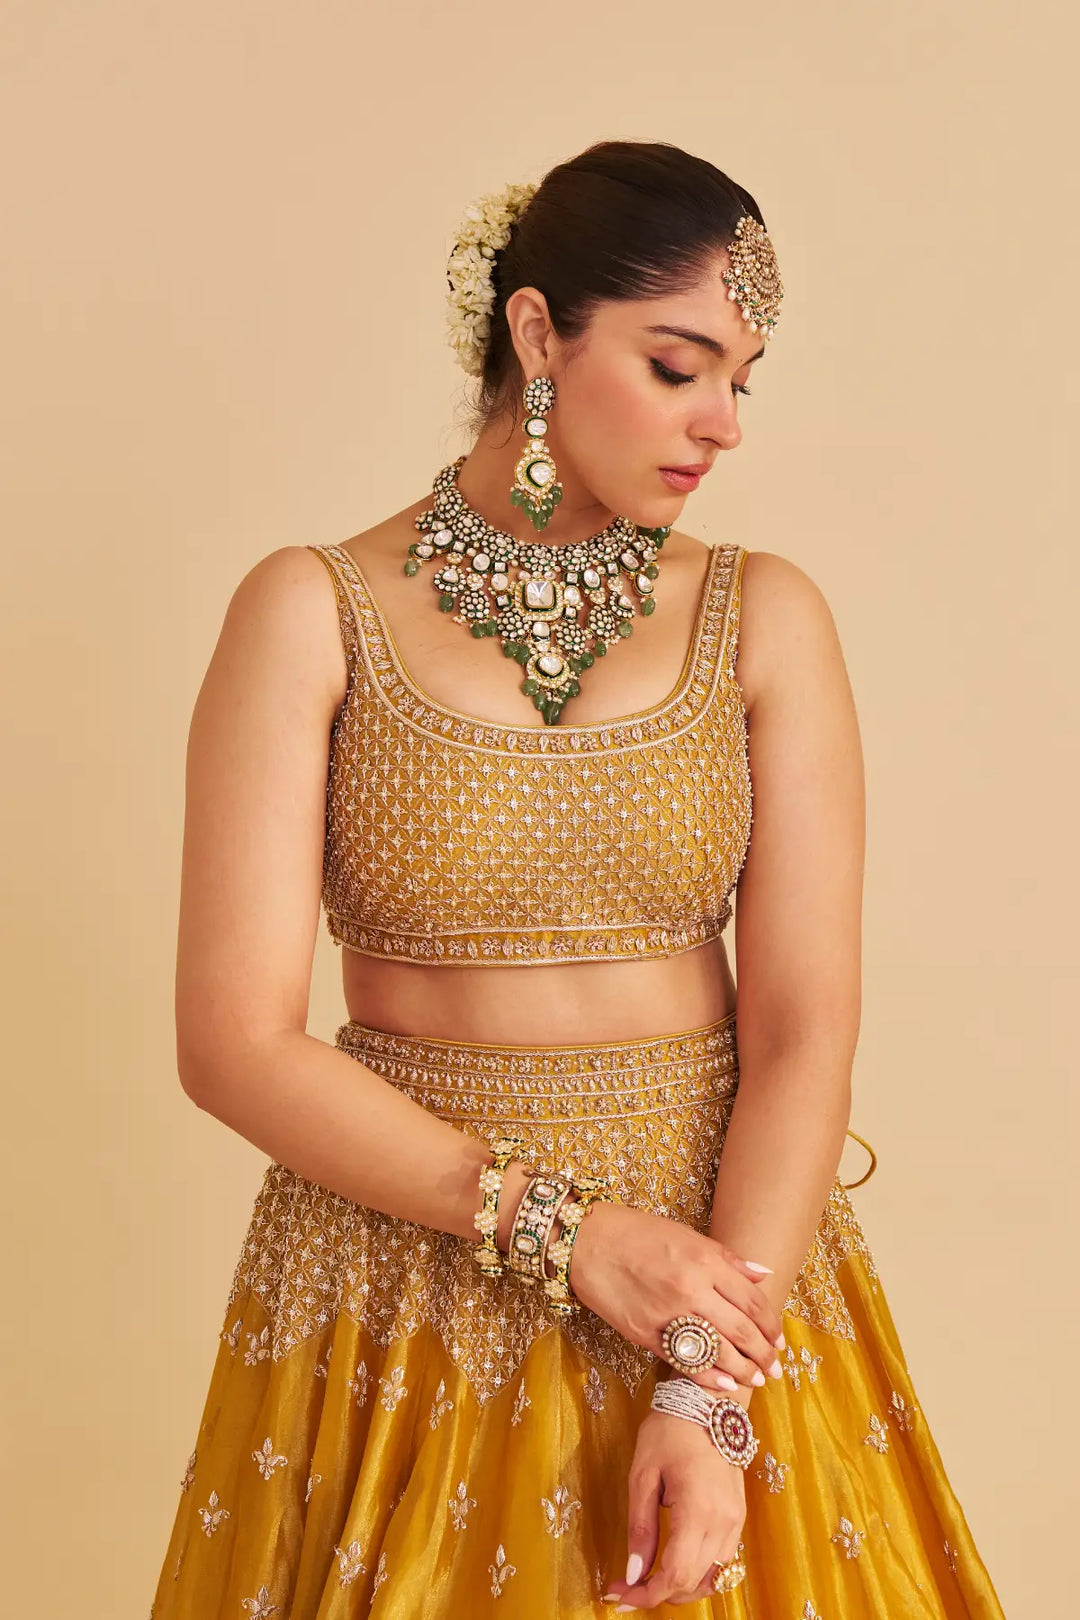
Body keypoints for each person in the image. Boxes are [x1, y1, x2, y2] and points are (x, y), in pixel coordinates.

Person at [149, 139, 1006, 1618]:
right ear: (540, 333)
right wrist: (564, 1232)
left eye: (744, 379)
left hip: (722, 1276)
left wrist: (709, 1389)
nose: (723, 424)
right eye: (680, 369)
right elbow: (232, 1041)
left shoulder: (763, 622)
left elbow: (804, 1029)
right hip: (406, 1277)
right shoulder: (317, 616)